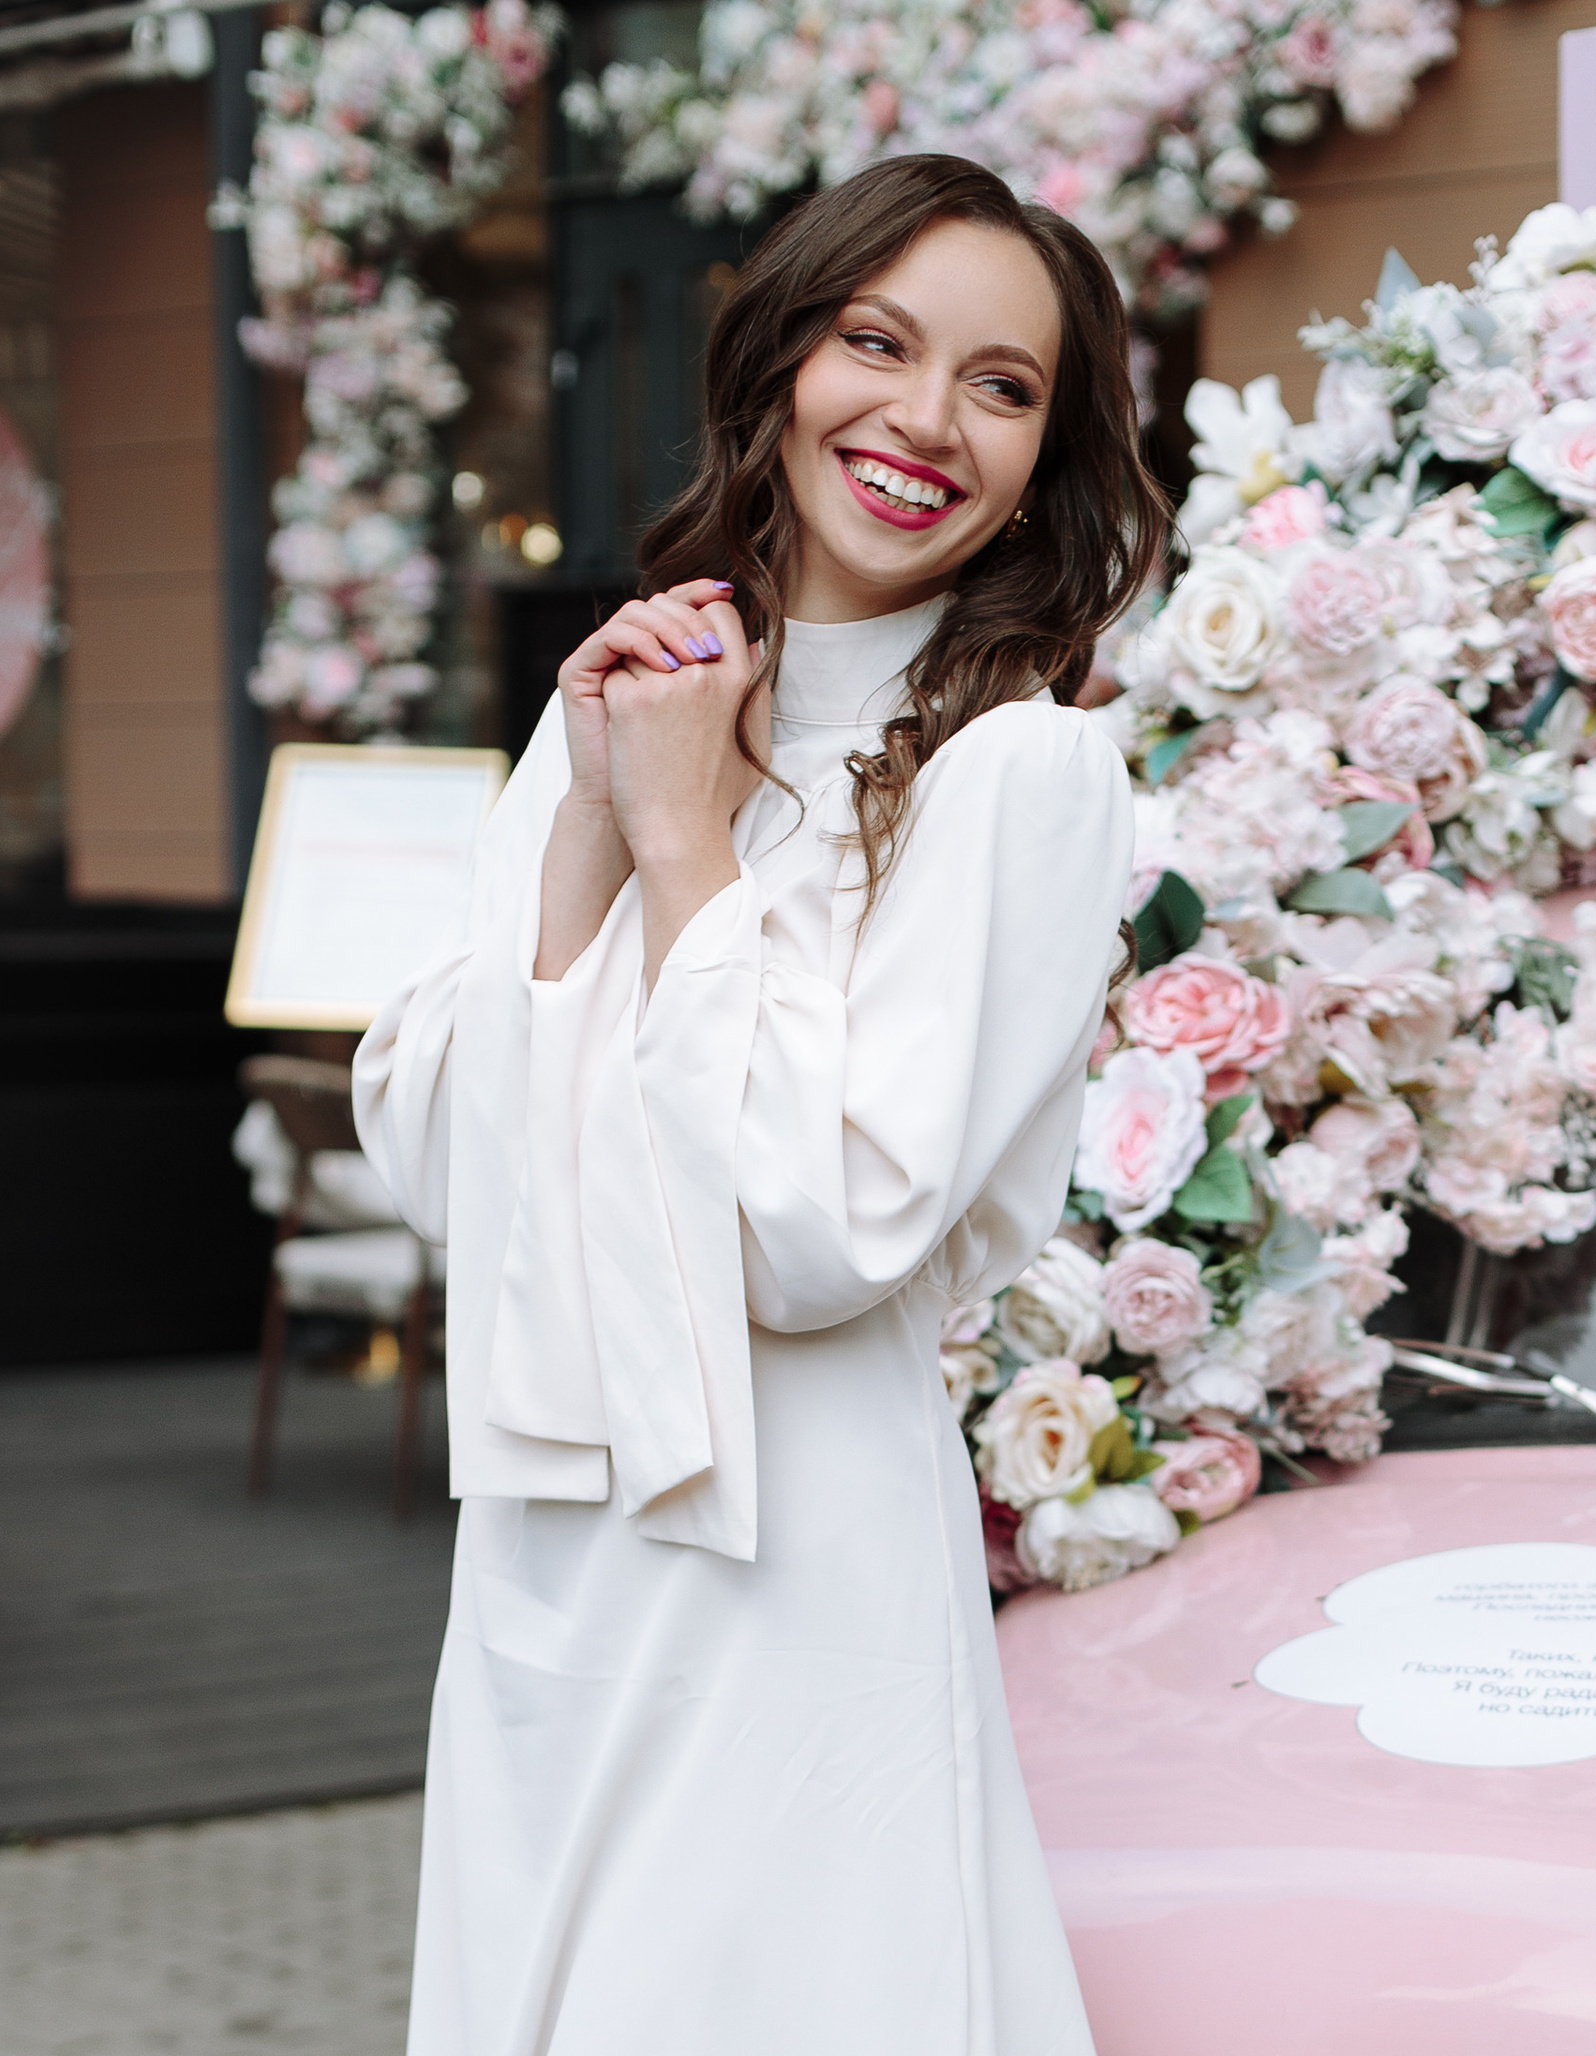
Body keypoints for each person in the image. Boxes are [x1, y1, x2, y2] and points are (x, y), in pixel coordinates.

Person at [353, 153, 1169, 2054]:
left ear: (1049, 452)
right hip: (547, 1548)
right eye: (876, 342)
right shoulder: (641, 688)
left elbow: (823, 1235)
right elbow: (442, 1167)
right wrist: (585, 813)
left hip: (791, 1553)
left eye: (1001, 383)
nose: (922, 420)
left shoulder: (1020, 773)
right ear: (783, 356)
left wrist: (685, 842)